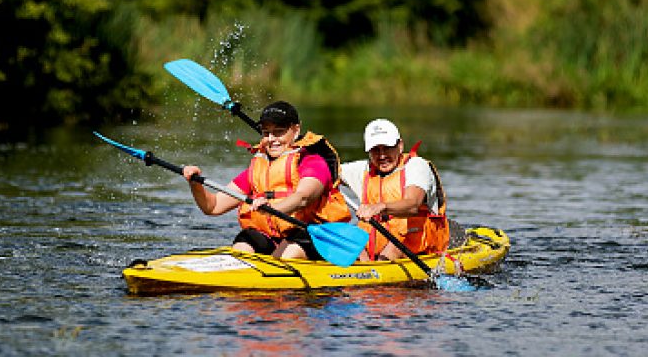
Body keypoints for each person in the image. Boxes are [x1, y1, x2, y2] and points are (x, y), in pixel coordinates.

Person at [181, 101, 351, 259]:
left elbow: (303, 197)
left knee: (287, 252)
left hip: (316, 235)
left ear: (296, 130)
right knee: (244, 241)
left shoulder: (312, 161)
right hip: (275, 236)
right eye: (266, 132)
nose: (271, 139)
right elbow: (213, 206)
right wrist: (195, 184)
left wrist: (273, 208)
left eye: (279, 132)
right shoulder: (257, 169)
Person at [340, 118, 456, 261]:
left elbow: (412, 204)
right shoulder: (362, 170)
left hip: (419, 246)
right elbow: (324, 168)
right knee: (350, 240)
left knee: (394, 248)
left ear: (400, 146)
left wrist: (380, 207)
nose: (382, 156)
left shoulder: (417, 166)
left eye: (387, 148)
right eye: (375, 150)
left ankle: (376, 274)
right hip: (376, 251)